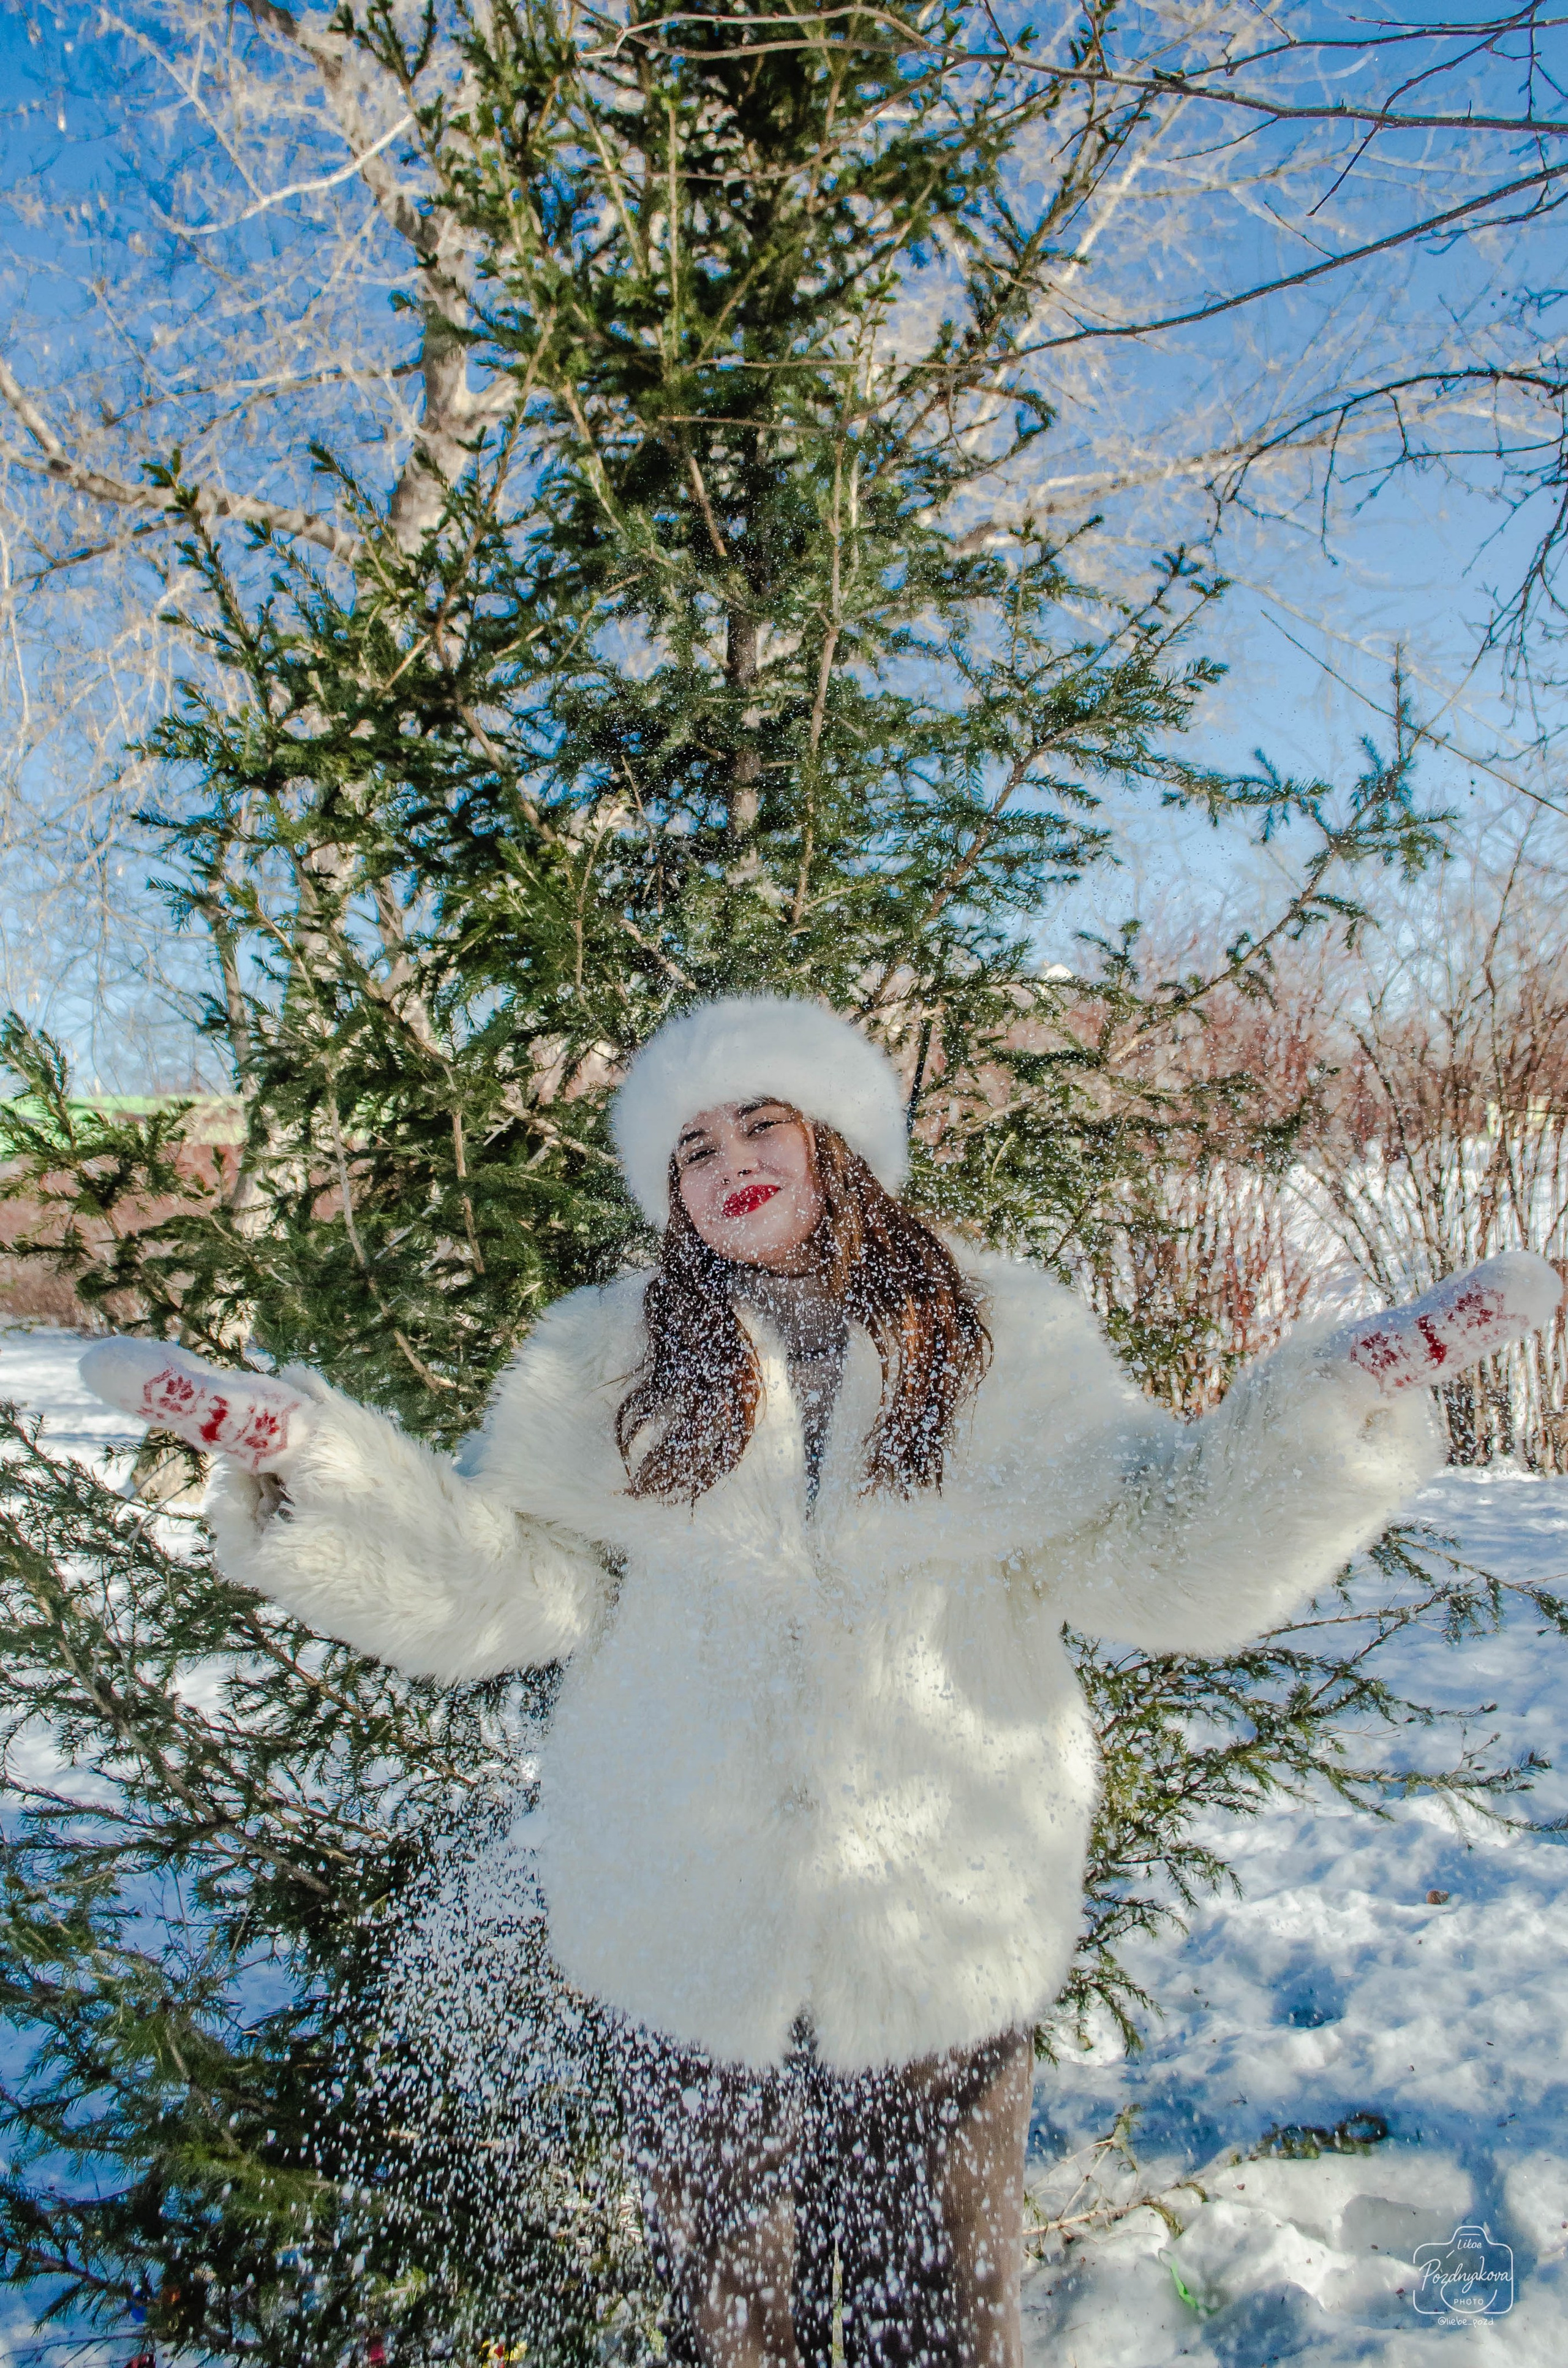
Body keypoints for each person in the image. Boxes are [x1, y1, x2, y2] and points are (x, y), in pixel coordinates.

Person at [81, 994, 1561, 2368]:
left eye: (758, 1122)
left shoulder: (997, 1339)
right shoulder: (602, 1362)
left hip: (945, 1928)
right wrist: (314, 1471)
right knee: (727, 2329)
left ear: (836, 1136)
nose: (727, 1159)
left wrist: (1331, 1407)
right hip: (675, 1926)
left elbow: (1157, 1554)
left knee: (941, 2325)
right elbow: (502, 1585)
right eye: (690, 1144)